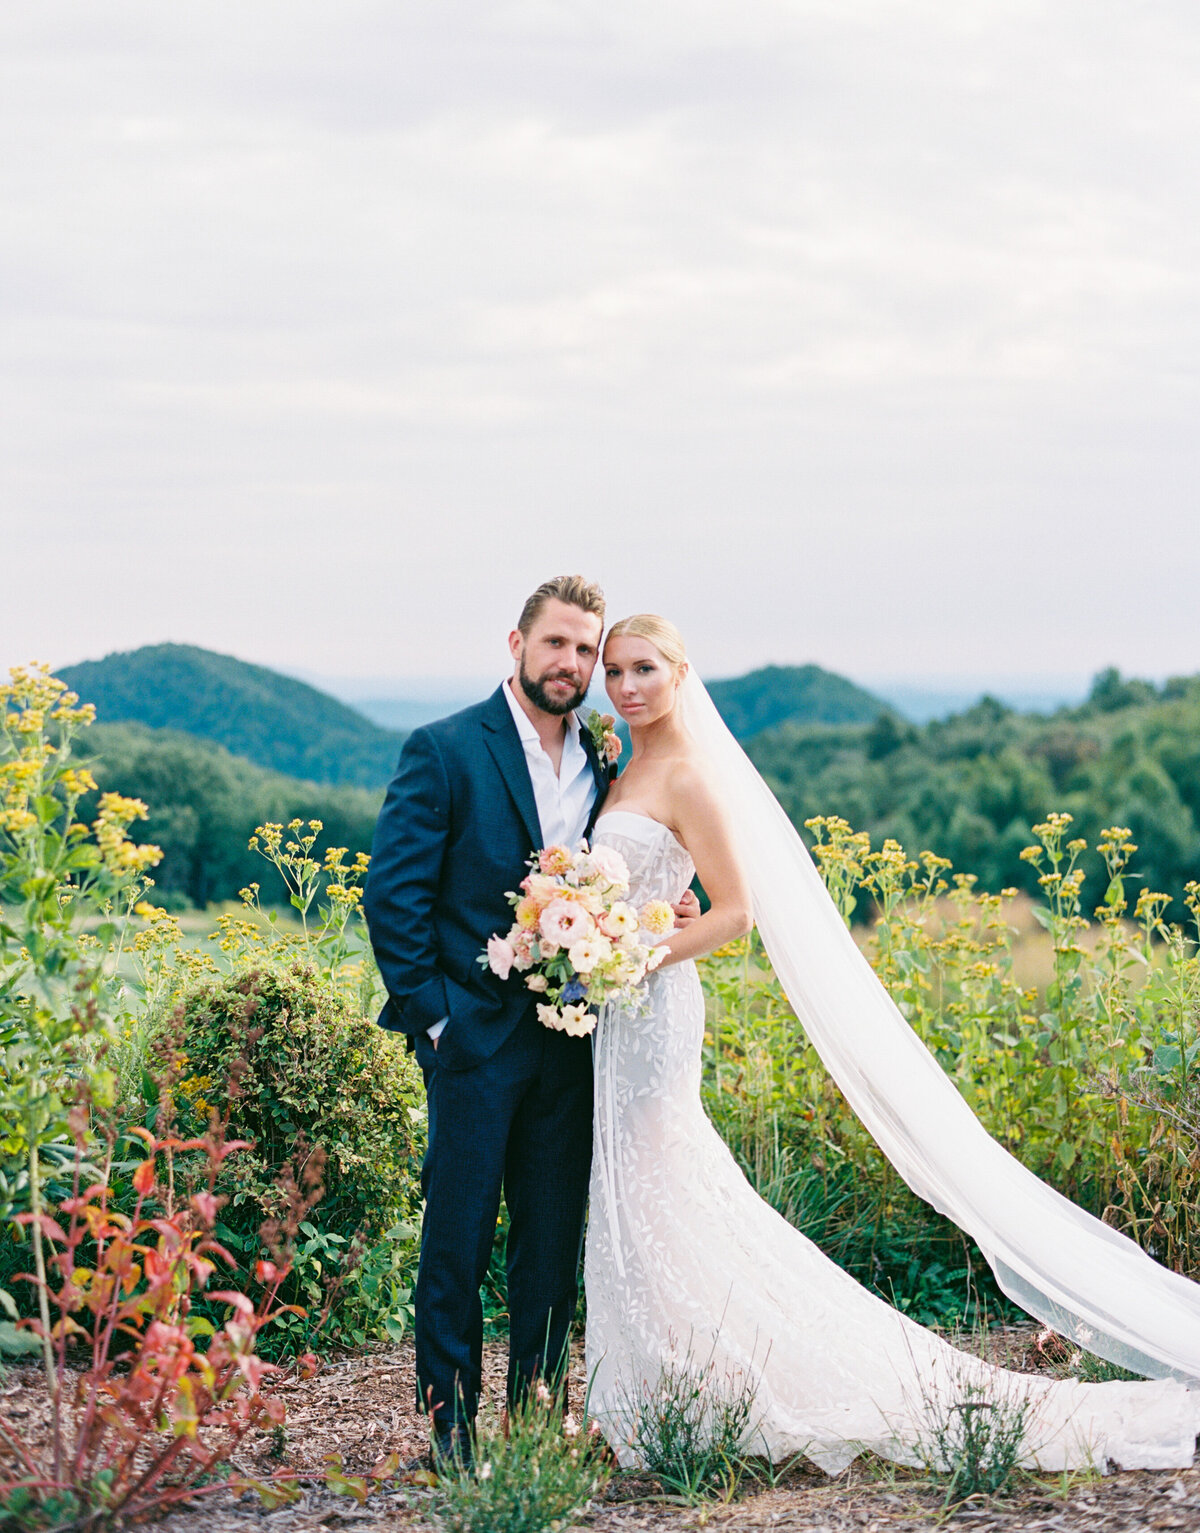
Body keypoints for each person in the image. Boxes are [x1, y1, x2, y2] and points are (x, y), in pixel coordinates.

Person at [584, 613, 1200, 1474]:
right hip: (614, 1012)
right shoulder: (617, 762)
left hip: (653, 1006)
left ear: (682, 672)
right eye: (613, 670)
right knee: (632, 1184)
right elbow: (653, 885)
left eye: (644, 667)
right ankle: (662, 1381)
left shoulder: (691, 774)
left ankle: (707, 1384)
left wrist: (638, 950)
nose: (626, 685)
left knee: (667, 1177)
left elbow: (735, 911)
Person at [362, 577, 696, 1469]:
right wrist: (436, 1023)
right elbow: (390, 897)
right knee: (457, 1245)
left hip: (571, 1043)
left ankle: (536, 1430)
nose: (574, 665)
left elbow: (629, 865)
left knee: (549, 1252)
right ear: (516, 644)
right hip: (471, 1042)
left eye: (587, 651)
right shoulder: (443, 748)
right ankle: (451, 1438)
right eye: (558, 644)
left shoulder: (601, 754)